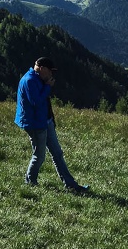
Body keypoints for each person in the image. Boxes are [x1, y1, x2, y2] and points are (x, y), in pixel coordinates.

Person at [14, 57, 89, 193]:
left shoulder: (37, 79)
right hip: (35, 124)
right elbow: (35, 102)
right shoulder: (30, 80)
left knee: (57, 153)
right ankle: (30, 182)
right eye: (50, 71)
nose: (51, 75)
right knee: (39, 155)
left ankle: (71, 184)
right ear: (42, 68)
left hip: (44, 121)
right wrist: (48, 86)